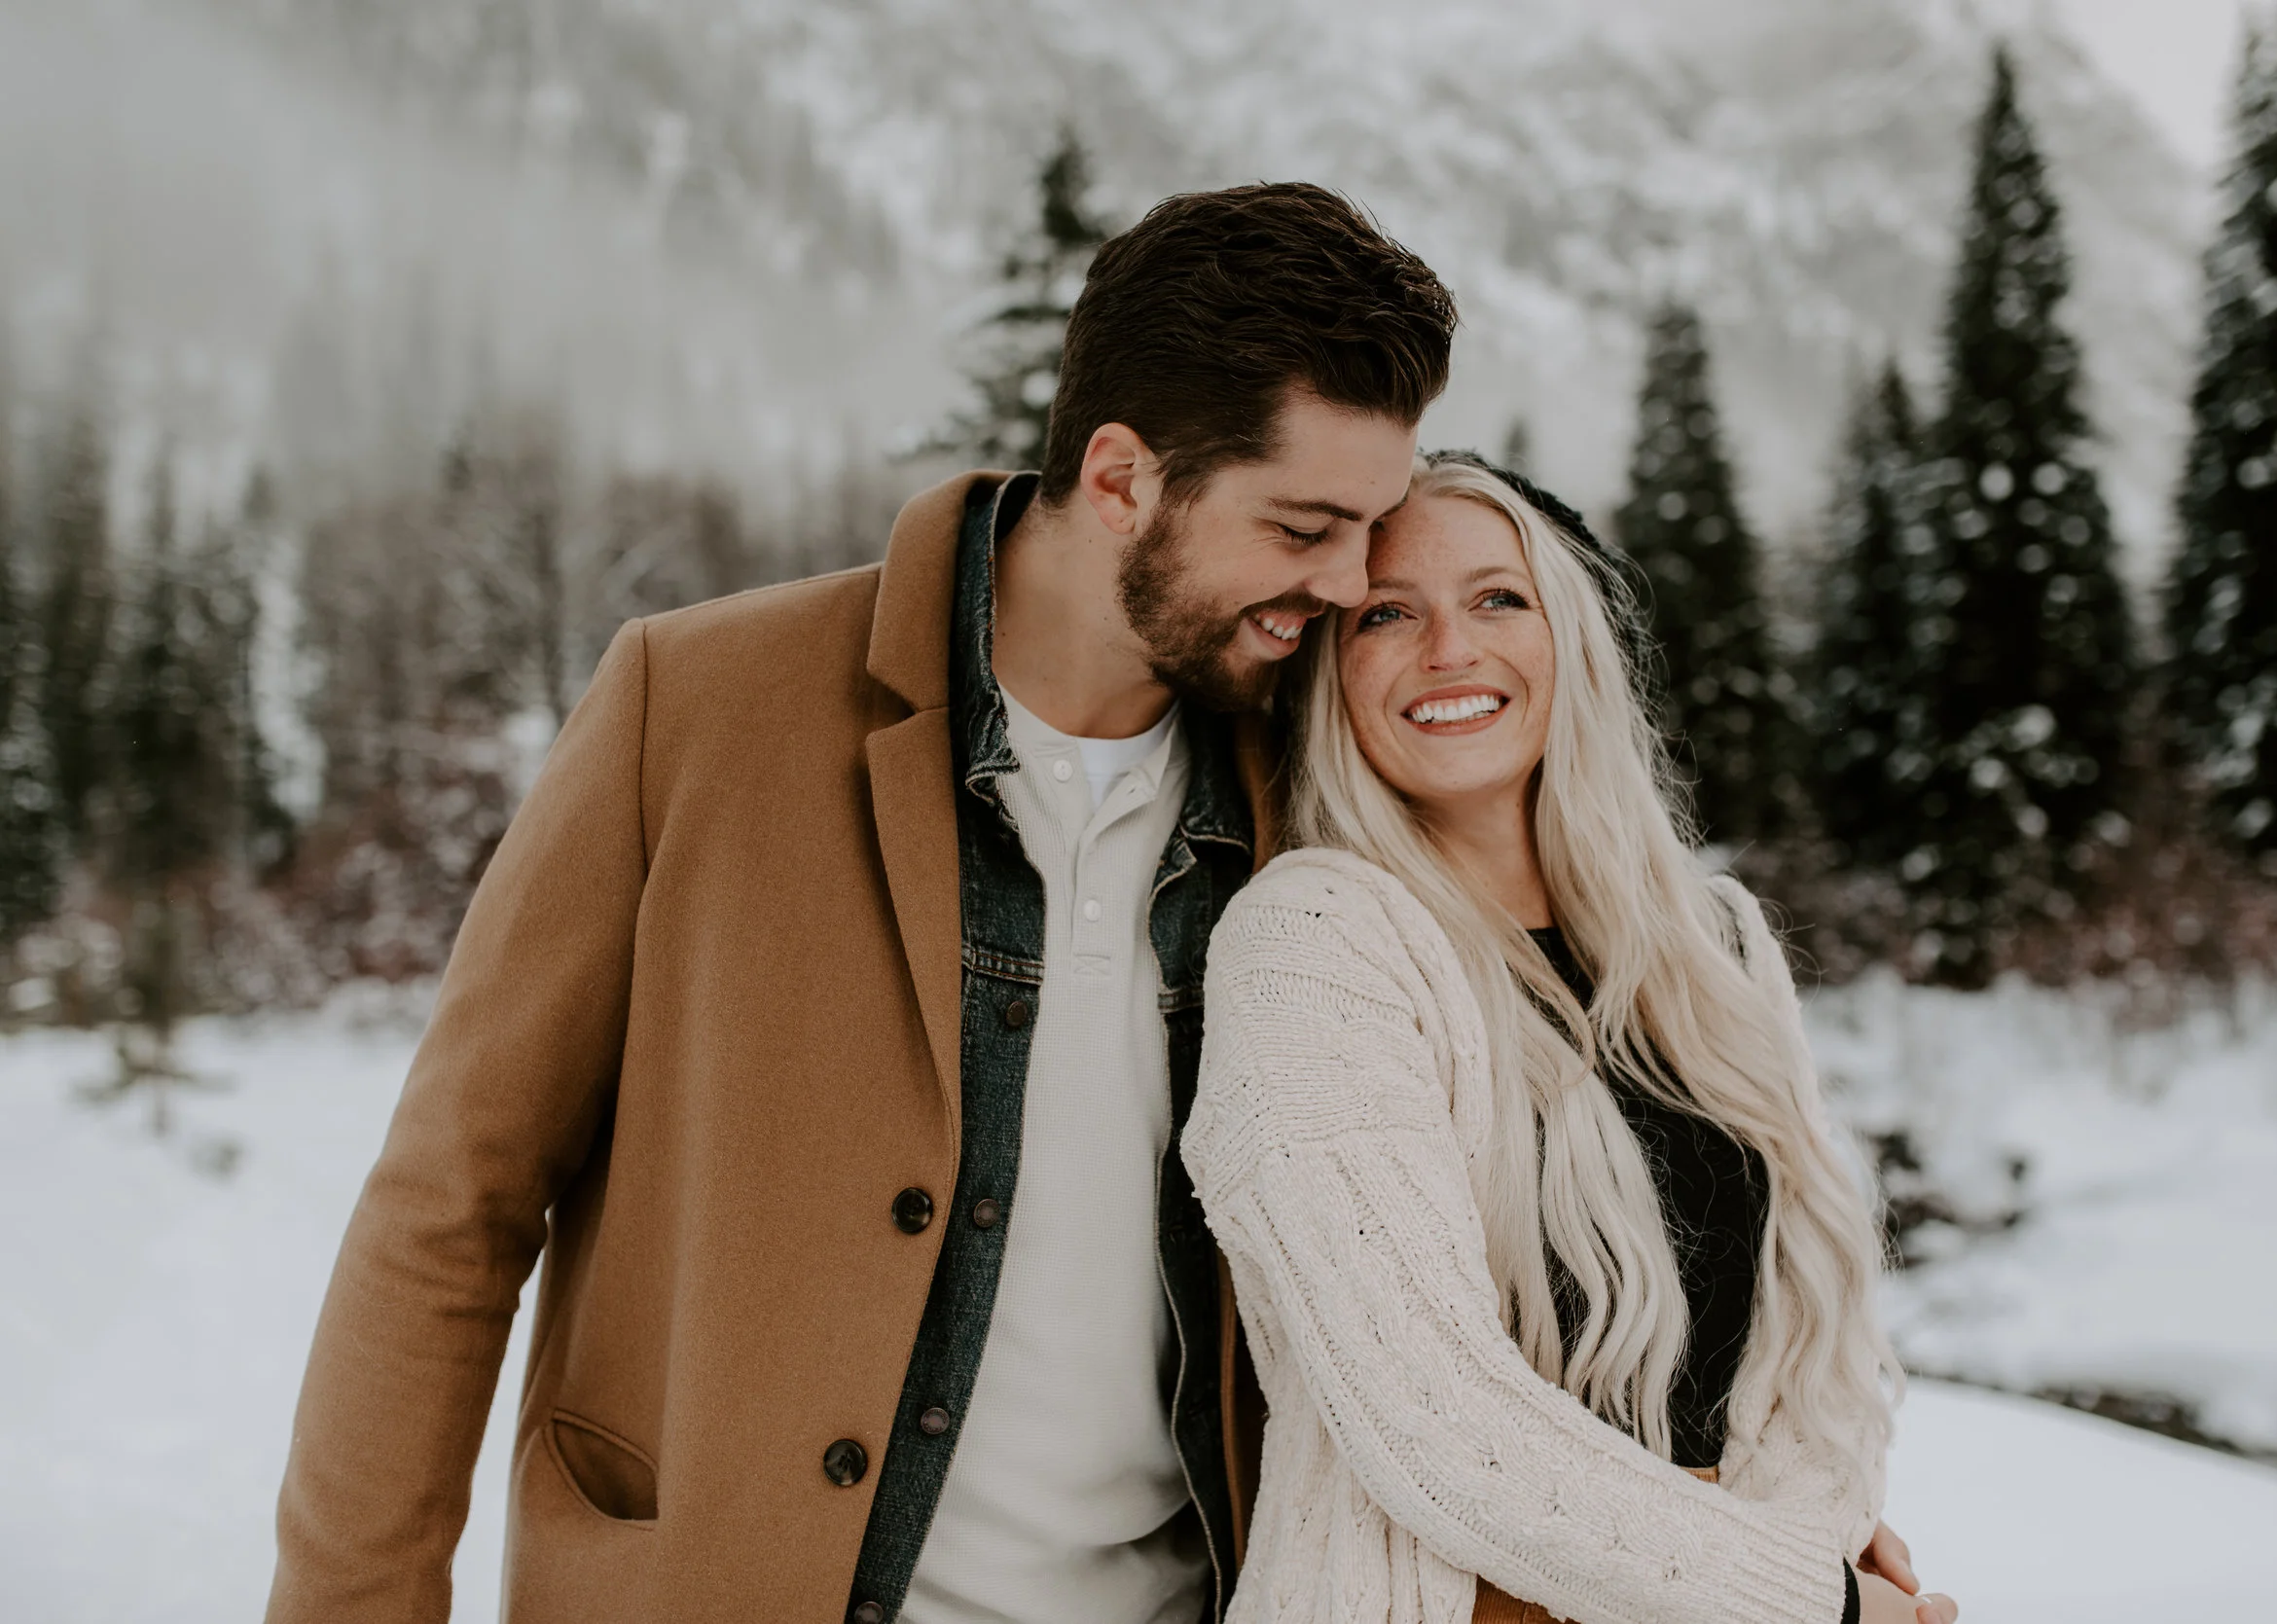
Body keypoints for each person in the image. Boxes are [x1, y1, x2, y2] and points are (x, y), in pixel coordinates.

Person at [265, 183, 1457, 1624]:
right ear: (1126, 477)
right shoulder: (690, 707)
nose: (1347, 585)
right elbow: (450, 1207)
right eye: (1304, 525)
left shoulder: (1319, 784)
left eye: (1372, 526)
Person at [1179, 454, 1962, 1624]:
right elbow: (1431, 1412)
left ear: (1572, 635)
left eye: (1498, 597)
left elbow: (1811, 1348)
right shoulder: (1314, 944)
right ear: (1330, 672)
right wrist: (1806, 1601)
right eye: (1388, 614)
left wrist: (1814, 1544)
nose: (1450, 648)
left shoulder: (1714, 941)